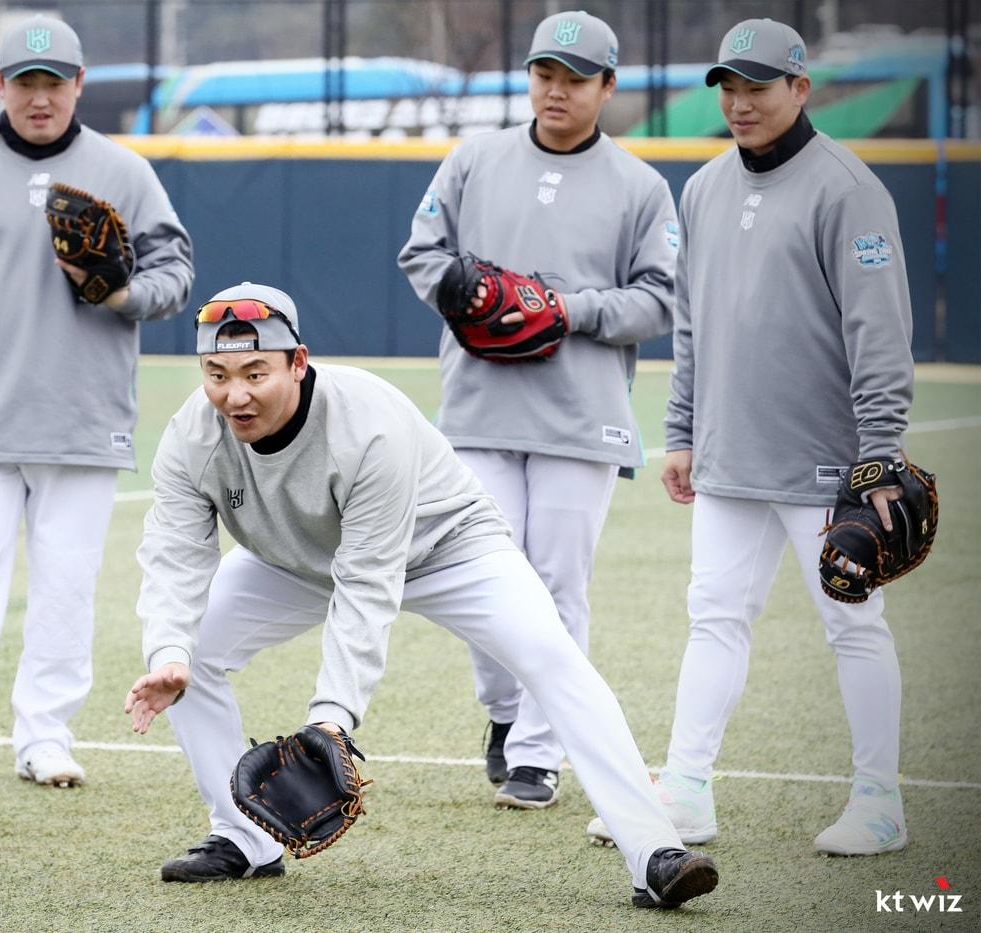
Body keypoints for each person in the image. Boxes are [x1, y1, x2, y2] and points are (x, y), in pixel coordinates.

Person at [123, 282, 717, 909]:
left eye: (254, 372)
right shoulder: (192, 435)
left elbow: (367, 580)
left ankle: (654, 852)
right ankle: (243, 839)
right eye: (216, 374)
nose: (234, 395)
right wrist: (169, 651)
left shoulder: (368, 424)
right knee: (186, 659)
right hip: (296, 559)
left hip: (447, 547)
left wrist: (333, 715)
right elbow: (173, 555)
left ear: (298, 363)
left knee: (553, 657)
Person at [587, 18, 916, 856]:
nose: (739, 103)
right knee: (714, 617)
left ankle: (881, 800)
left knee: (854, 625)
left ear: (800, 89)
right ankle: (687, 791)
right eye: (728, 87)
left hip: (827, 464)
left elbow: (881, 336)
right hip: (730, 458)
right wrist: (684, 432)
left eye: (757, 86)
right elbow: (692, 327)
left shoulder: (850, 190)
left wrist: (877, 455)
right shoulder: (702, 189)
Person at [0, 14, 193, 791]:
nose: (41, 98)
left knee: (65, 584)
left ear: (80, 85)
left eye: (55, 83)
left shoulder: (123, 169)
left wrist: (125, 293)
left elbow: (175, 269)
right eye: (27, 83)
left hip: (83, 421)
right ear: (0, 86)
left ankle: (44, 736)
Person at [397, 10, 676, 809]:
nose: (556, 90)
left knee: (557, 584)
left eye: (576, 78)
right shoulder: (475, 158)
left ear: (607, 87)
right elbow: (422, 253)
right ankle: (505, 711)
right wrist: (458, 287)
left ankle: (538, 753)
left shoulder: (640, 186)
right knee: (482, 577)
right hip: (480, 404)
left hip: (580, 414)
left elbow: (658, 299)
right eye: (545, 74)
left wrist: (567, 307)